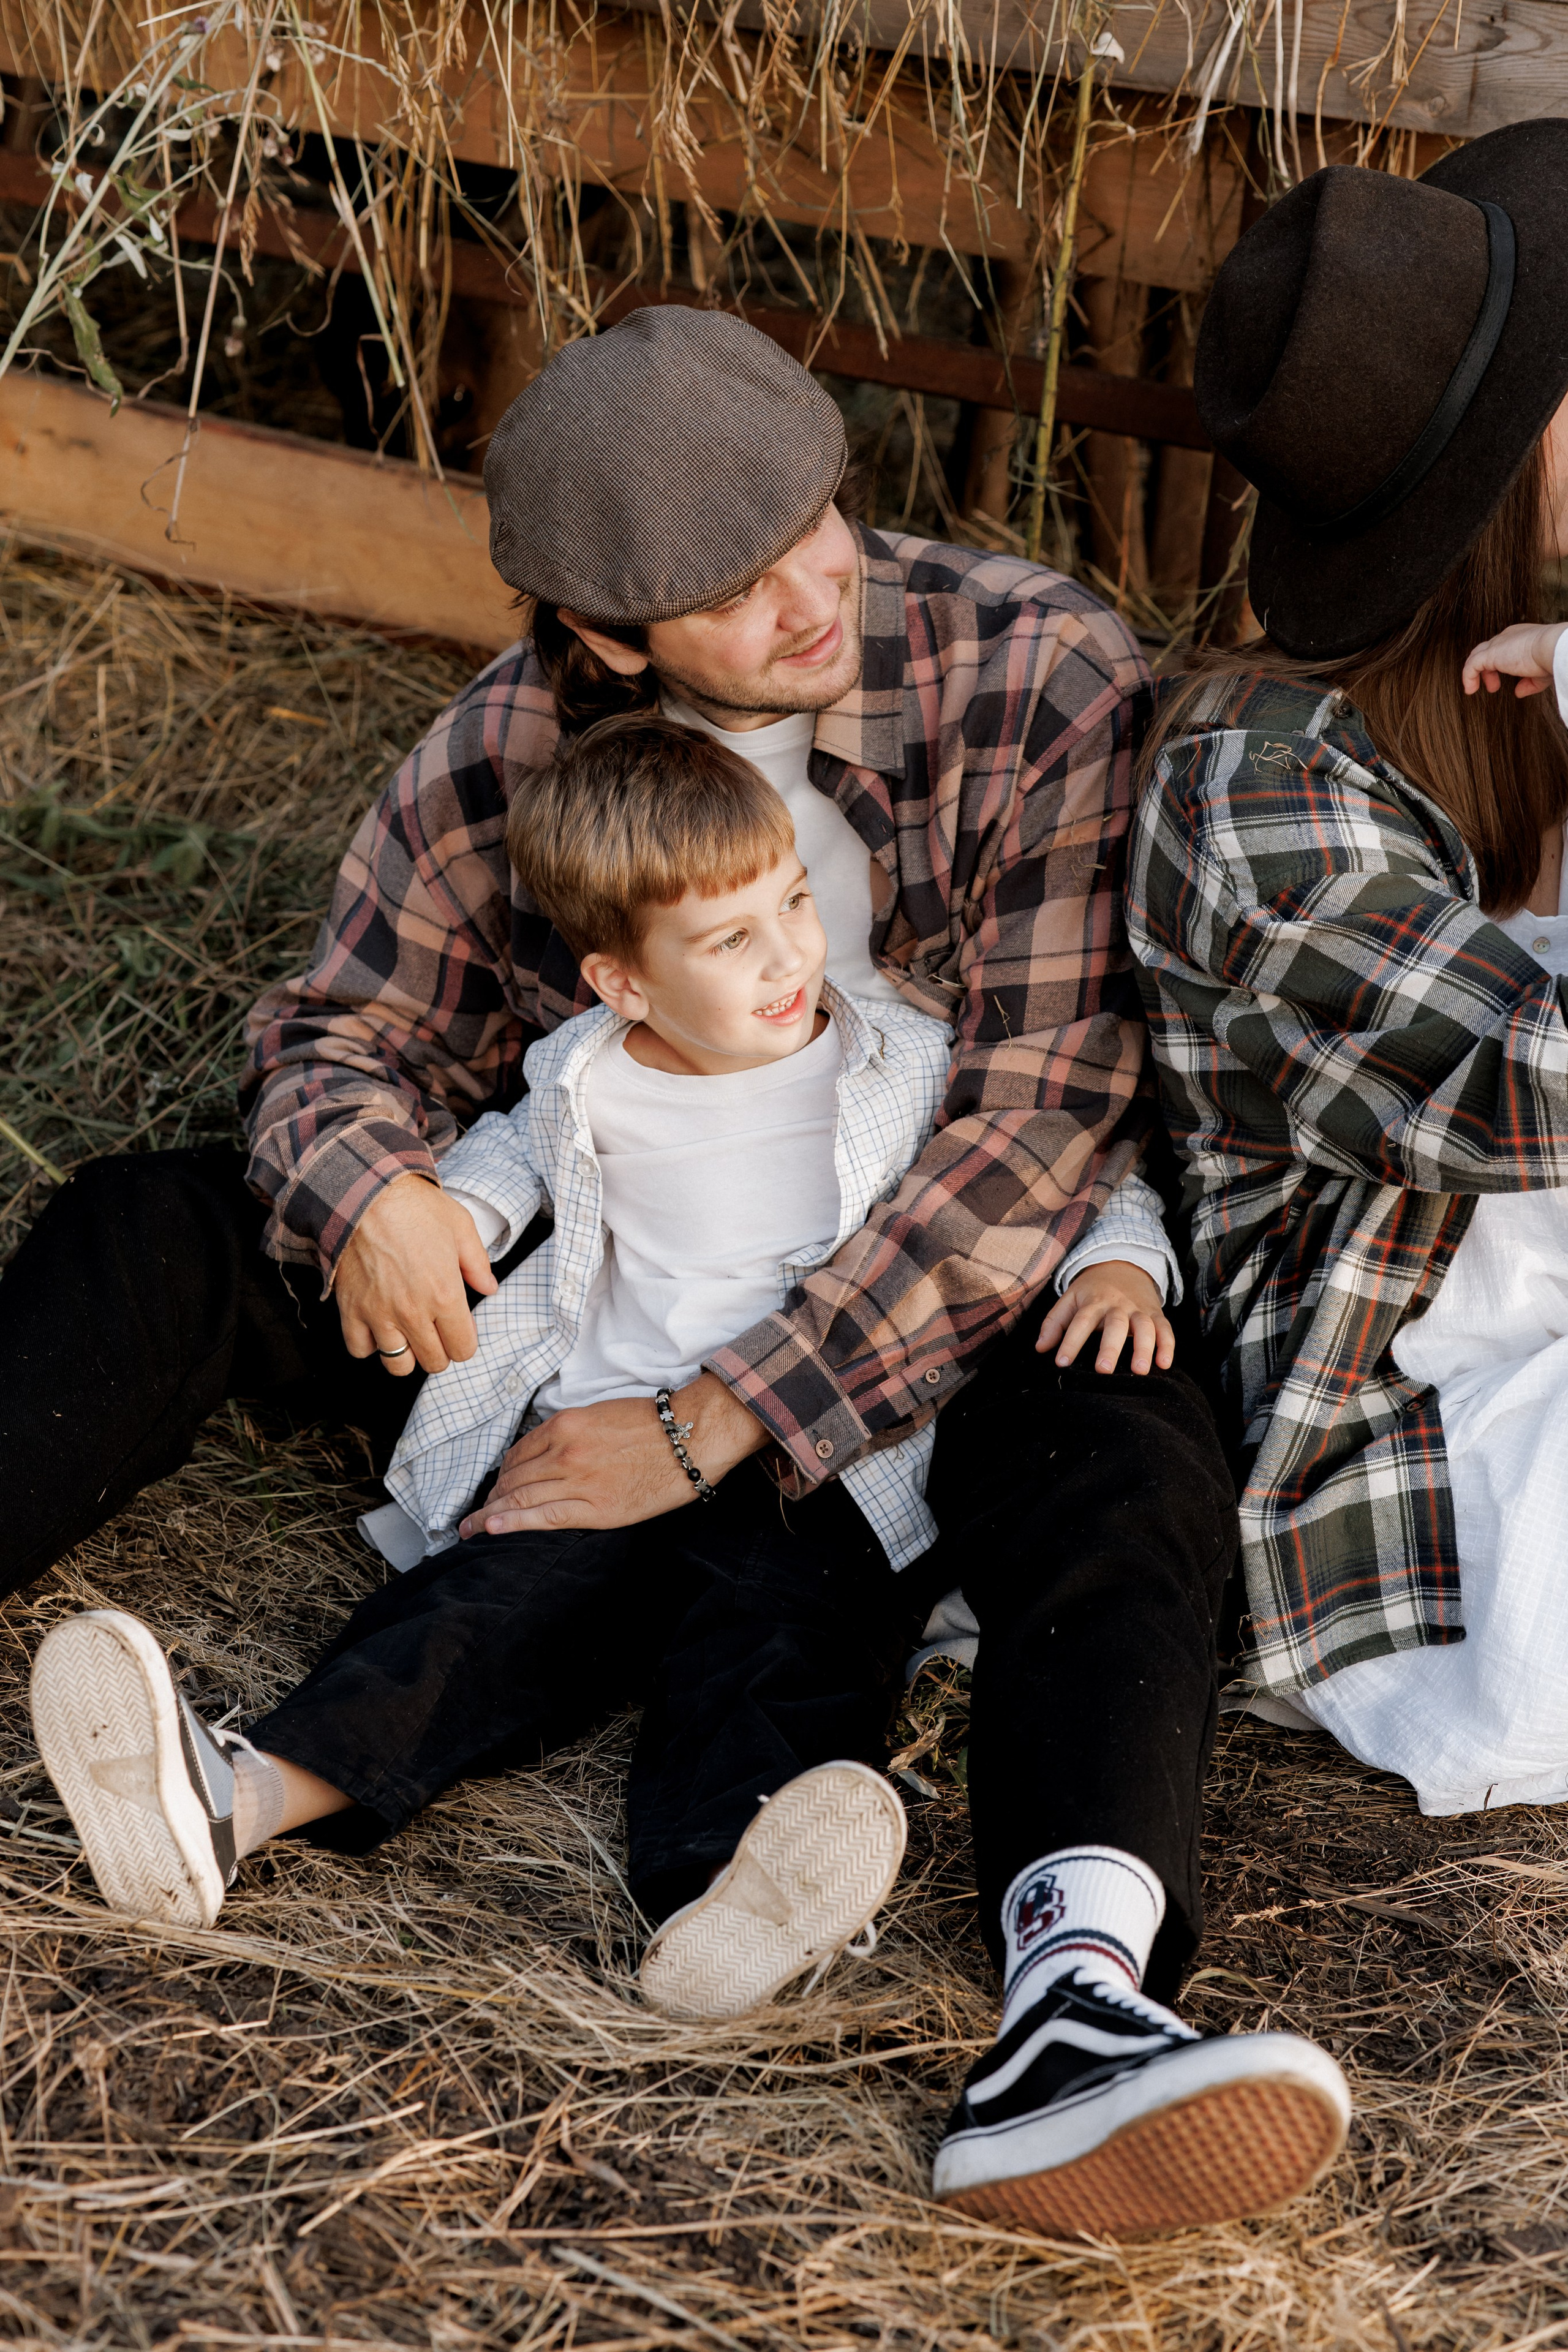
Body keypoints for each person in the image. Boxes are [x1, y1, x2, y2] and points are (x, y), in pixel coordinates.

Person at [0, 307, 1347, 2234]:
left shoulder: (1037, 666)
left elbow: (1042, 1117)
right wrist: (376, 1190)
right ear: (611, 640)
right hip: (608, 1275)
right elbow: (336, 1031)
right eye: (732, 587)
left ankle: (1077, 2005)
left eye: (815, 521)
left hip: (929, 1313)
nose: (815, 592)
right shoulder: (519, 742)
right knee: (161, 1221)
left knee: (1126, 1442)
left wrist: (723, 1421)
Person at [32, 710, 1182, 2027]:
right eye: (729, 939)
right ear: (621, 984)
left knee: (779, 1656)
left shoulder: (899, 1060)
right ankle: (230, 1800)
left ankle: (726, 1908)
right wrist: (433, 1223)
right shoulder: (581, 1078)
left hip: (828, 1472)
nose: (788, 957)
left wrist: (1123, 1265)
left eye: (794, 905)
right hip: (601, 1436)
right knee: (478, 1617)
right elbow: (499, 1167)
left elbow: (1059, 1178)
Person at [1128, 122, 1568, 1817]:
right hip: (1411, 1417)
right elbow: (1535, 1095)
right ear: (1499, 471)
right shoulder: (1254, 799)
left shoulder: (1511, 668)